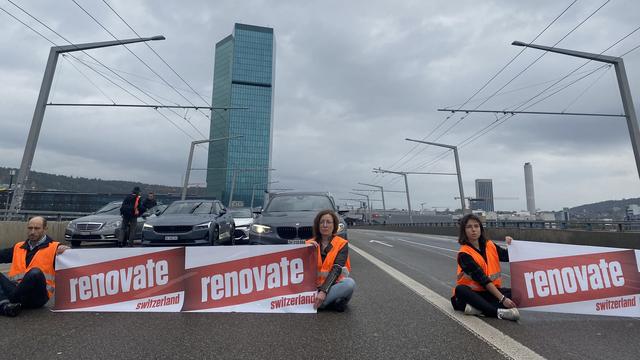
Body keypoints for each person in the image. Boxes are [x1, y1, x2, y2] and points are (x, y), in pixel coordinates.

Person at [450, 214, 520, 321]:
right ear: (464, 231)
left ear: (480, 229)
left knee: (518, 294)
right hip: (472, 294)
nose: (473, 230)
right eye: (469, 227)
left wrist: (512, 245)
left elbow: (507, 256)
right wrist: (502, 299)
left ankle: (479, 309)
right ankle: (498, 312)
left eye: (476, 226)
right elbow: (483, 280)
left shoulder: (490, 245)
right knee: (460, 290)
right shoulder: (464, 254)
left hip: (490, 293)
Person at [0, 216, 69, 317]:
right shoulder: (18, 247)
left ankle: (8, 301)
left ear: (45, 229)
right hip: (16, 290)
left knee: (35, 272)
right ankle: (5, 306)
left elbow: (73, 264)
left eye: (37, 228)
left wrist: (68, 252)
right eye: (30, 228)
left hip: (37, 297)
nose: (32, 232)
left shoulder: (55, 248)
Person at [305, 209, 355, 312]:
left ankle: (319, 303)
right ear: (317, 225)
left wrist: (324, 291)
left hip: (332, 285)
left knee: (349, 284)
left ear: (334, 225)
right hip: (312, 287)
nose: (325, 225)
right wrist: (305, 249)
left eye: (328, 222)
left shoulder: (341, 244)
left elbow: (337, 269)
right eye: (322, 222)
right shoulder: (309, 243)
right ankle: (329, 303)